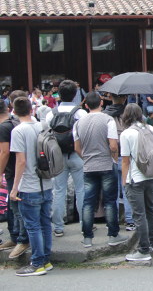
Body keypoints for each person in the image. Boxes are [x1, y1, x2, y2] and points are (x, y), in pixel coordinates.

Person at [73, 91, 127, 248]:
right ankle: (113, 234)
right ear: (102, 103)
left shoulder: (78, 123)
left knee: (89, 202)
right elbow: (113, 145)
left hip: (89, 166)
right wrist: (113, 157)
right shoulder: (108, 120)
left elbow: (77, 147)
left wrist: (86, 158)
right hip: (106, 163)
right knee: (110, 201)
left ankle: (88, 237)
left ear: (86, 105)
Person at [9, 96, 53, 276]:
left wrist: (14, 187)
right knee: (45, 224)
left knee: (32, 226)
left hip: (29, 184)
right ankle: (46, 259)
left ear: (14, 111)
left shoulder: (18, 131)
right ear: (31, 109)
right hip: (46, 181)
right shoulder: (42, 126)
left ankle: (37, 263)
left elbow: (21, 161)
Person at [45, 79, 86, 237]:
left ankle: (58, 227)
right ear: (75, 94)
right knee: (81, 189)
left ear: (58, 94)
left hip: (57, 157)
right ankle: (84, 223)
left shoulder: (51, 114)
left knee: (58, 190)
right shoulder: (80, 113)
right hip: (77, 154)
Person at [120, 103, 153, 262]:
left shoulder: (126, 134)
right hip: (151, 175)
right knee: (151, 210)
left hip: (135, 178)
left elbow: (125, 161)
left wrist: (124, 181)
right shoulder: (151, 129)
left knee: (139, 214)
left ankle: (143, 249)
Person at [0, 94, 30, 258]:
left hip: (13, 171)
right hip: (16, 170)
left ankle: (22, 239)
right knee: (12, 207)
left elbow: (4, 152)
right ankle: (15, 236)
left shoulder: (4, 127)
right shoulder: (15, 122)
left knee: (17, 208)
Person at [103, 94, 135, 231]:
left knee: (112, 191)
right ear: (124, 98)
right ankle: (130, 220)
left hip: (110, 155)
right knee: (127, 188)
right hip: (126, 154)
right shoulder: (128, 114)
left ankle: (112, 220)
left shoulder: (105, 115)